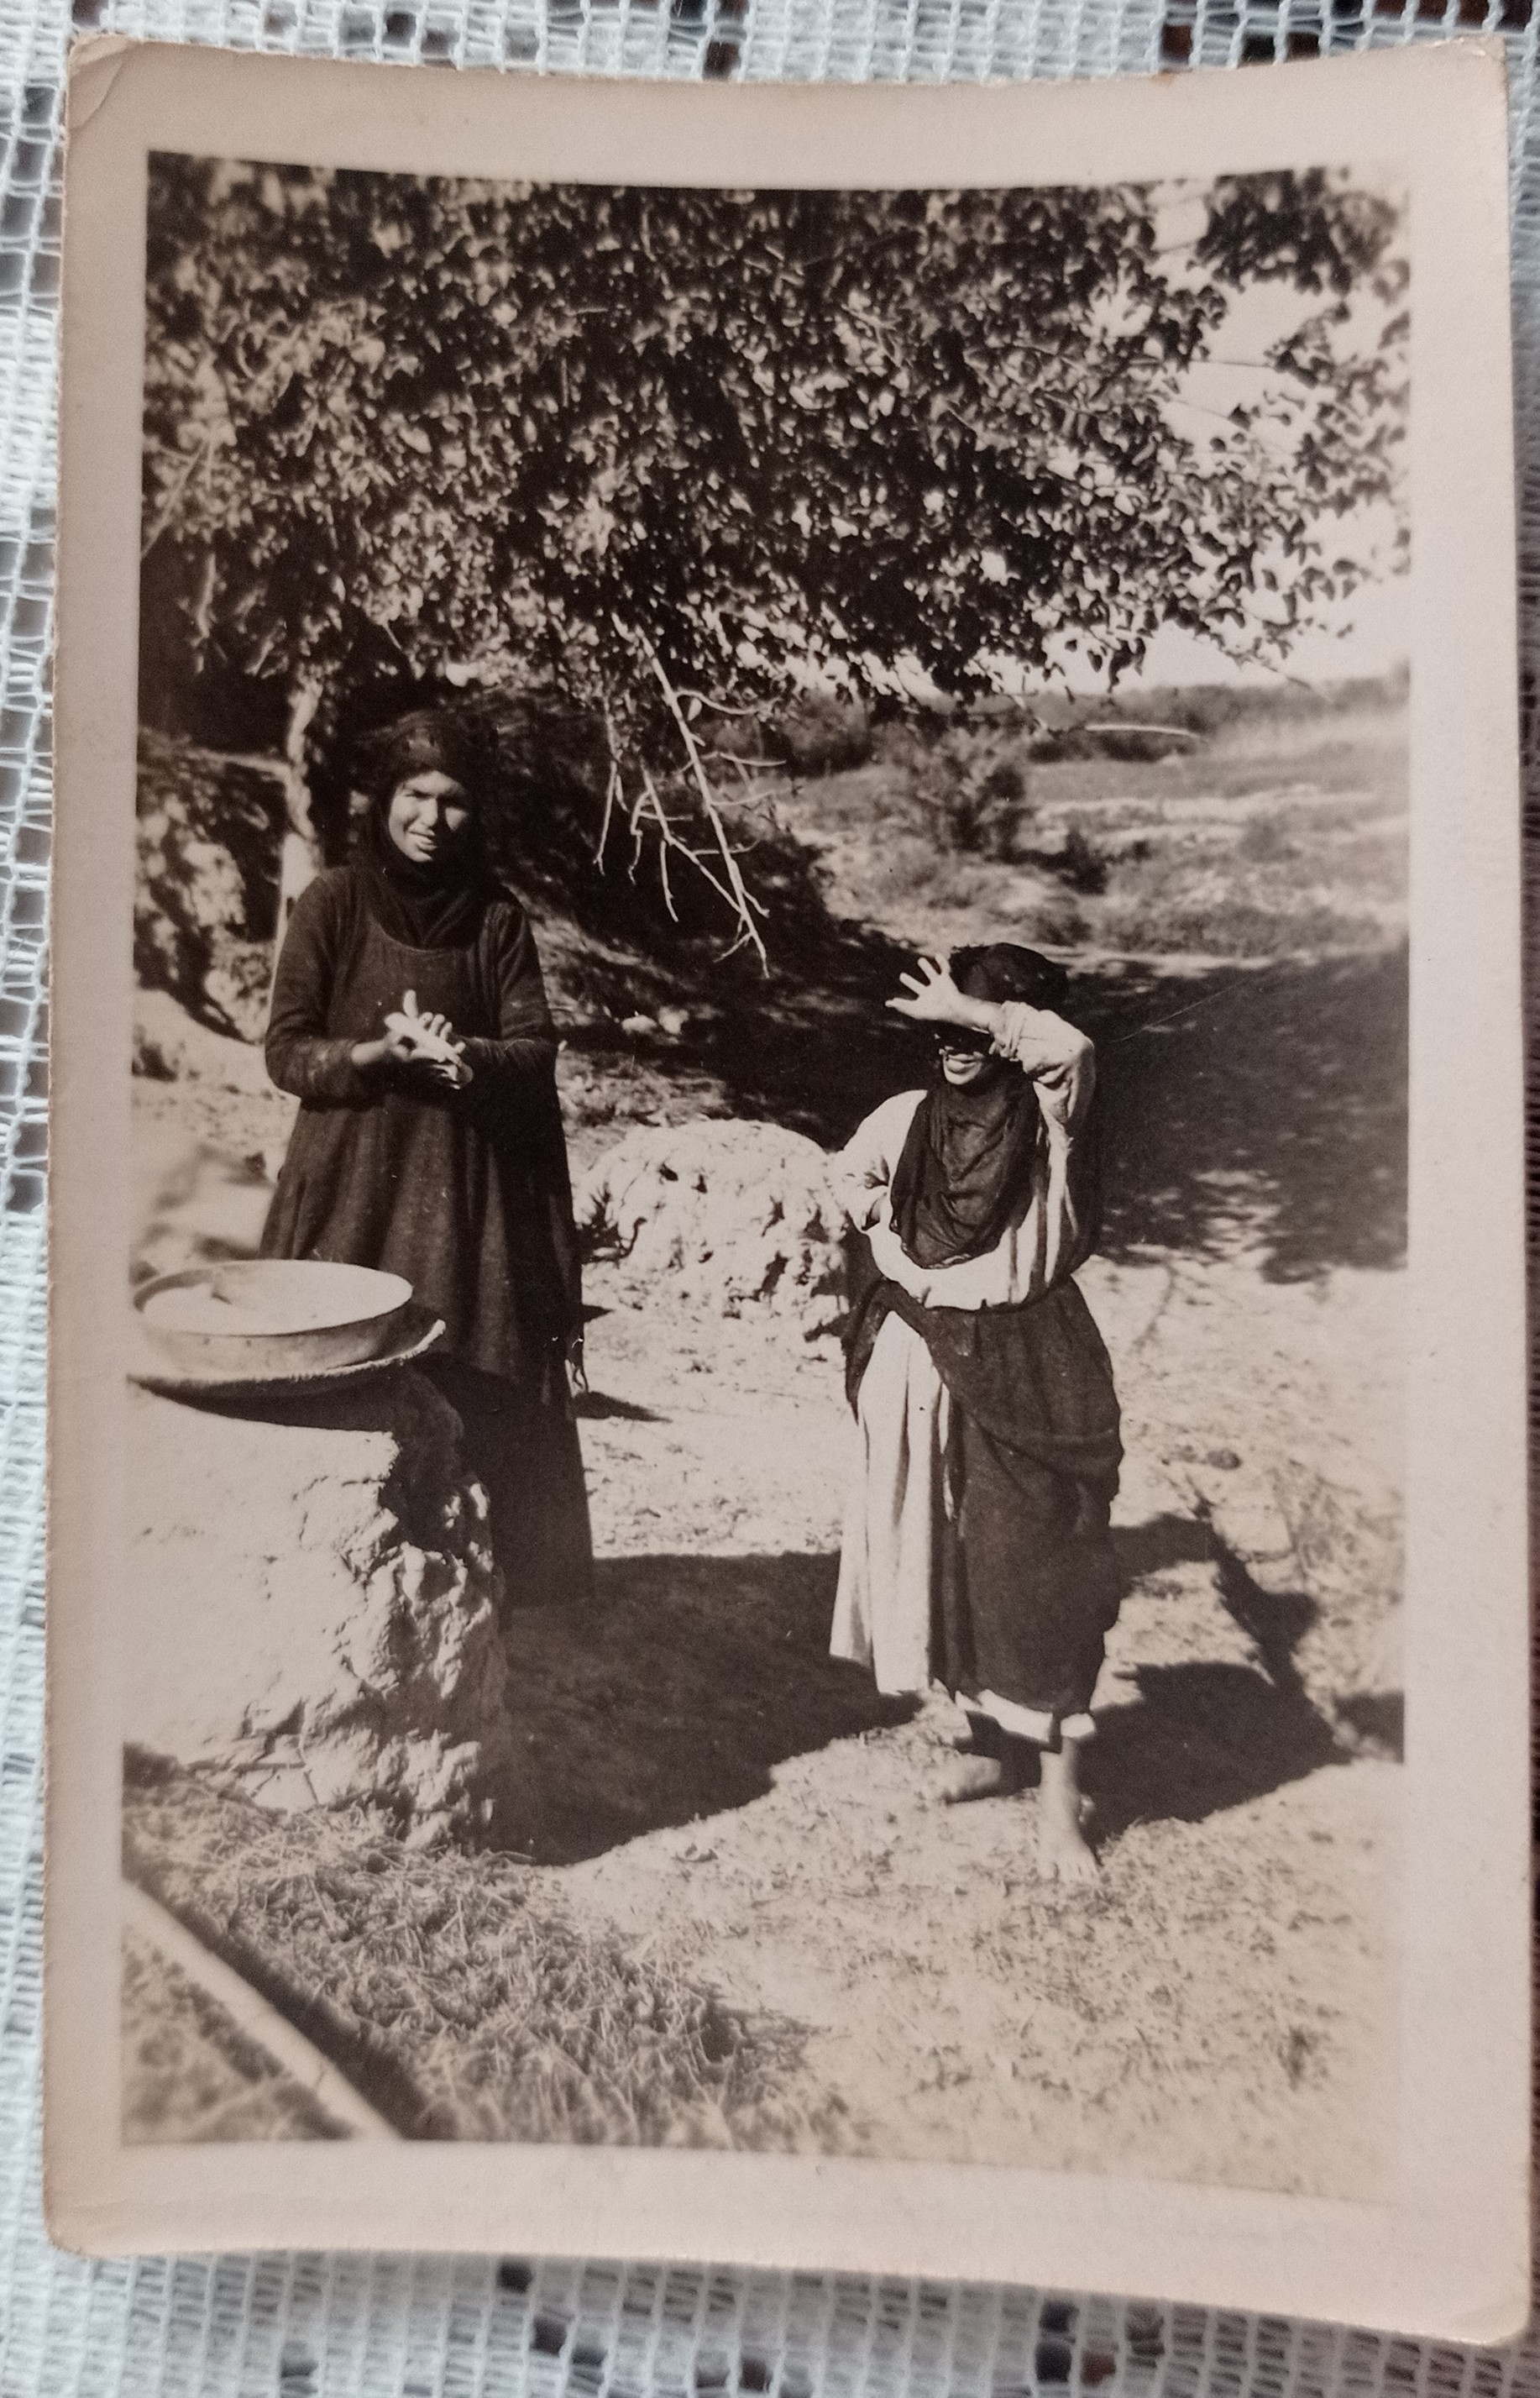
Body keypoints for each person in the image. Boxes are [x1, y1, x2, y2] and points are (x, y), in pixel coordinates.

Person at [259, 706, 594, 1614]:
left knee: (469, 1368)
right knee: (337, 1361)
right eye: (415, 794)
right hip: (350, 1191)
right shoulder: (333, 901)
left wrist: (468, 1057)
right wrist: (374, 1054)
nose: (432, 818)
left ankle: (468, 1585)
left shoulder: (495, 918)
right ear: (384, 797)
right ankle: (326, 1575)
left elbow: (535, 1046)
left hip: (463, 1199)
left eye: (454, 800)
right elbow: (286, 1050)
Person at [827, 944, 1123, 1882]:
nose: (954, 1043)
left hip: (1028, 1360)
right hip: (922, 1356)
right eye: (942, 1027)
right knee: (950, 1556)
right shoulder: (907, 1118)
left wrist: (974, 1011)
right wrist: (889, 1241)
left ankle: (1061, 1805)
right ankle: (995, 1751)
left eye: (974, 1026)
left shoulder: (1053, 1118)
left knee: (1036, 1569)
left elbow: (1070, 1051)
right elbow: (849, 1177)